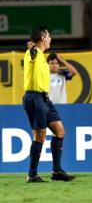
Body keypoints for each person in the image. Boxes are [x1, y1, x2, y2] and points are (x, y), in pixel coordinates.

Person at [23, 26, 75, 182]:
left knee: (60, 131)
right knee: (40, 136)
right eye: (48, 36)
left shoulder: (42, 57)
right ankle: (32, 175)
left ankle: (57, 171)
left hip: (45, 99)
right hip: (34, 98)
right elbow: (32, 54)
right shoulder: (33, 53)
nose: (50, 39)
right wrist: (32, 48)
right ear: (42, 39)